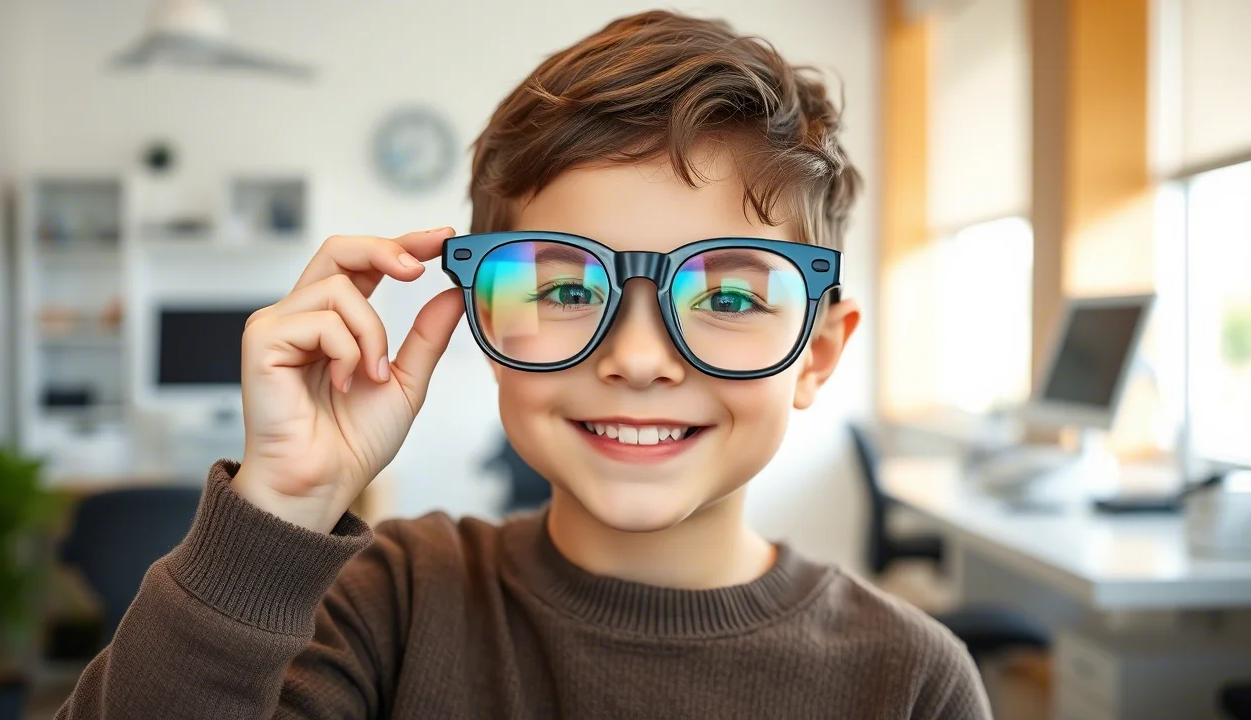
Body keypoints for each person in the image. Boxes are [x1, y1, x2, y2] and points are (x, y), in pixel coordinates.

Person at [57, 10, 990, 719]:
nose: (635, 358)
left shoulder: (909, 680)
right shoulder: (382, 605)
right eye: (567, 289)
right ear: (478, 320)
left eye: (733, 299)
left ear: (817, 353)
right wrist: (274, 514)